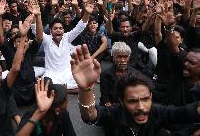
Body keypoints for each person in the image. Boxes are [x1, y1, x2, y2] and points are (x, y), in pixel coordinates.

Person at [70, 44, 200, 136]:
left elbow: (184, 112)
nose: (141, 107)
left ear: (151, 96)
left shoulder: (157, 112)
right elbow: (91, 115)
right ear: (121, 101)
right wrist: (85, 89)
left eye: (145, 99)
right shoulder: (116, 112)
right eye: (132, 101)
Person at [31, 3, 93, 89]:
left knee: (84, 81)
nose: (58, 30)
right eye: (55, 28)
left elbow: (79, 28)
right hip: (51, 74)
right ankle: (65, 89)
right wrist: (36, 16)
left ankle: (63, 89)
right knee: (46, 84)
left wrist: (87, 13)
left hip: (67, 74)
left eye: (60, 28)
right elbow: (36, 30)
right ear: (50, 31)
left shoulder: (67, 37)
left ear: (63, 30)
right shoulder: (47, 39)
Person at [0, 0, 43, 106]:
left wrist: (38, 16)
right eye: (19, 41)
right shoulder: (10, 52)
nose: (23, 43)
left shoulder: (30, 52)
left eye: (26, 41)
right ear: (14, 44)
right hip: (15, 91)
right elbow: (0, 38)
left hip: (31, 89)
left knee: (47, 88)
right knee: (5, 97)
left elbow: (39, 38)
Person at [100, 42, 140, 106]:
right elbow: (105, 98)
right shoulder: (105, 75)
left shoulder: (135, 74)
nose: (122, 60)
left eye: (125, 57)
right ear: (113, 58)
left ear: (129, 58)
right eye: (119, 57)